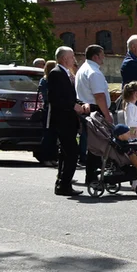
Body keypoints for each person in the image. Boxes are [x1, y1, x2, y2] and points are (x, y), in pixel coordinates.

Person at [46, 46, 87, 196]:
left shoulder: (65, 73)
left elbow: (68, 96)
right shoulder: (56, 74)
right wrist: (73, 106)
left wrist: (80, 104)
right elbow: (55, 98)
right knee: (72, 152)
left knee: (65, 153)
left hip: (68, 120)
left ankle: (62, 183)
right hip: (62, 120)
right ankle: (64, 184)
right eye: (71, 56)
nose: (74, 59)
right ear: (64, 58)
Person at [75, 44, 112, 185]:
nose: (104, 58)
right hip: (95, 110)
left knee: (92, 145)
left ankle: (91, 175)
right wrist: (107, 115)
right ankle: (93, 176)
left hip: (86, 109)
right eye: (102, 55)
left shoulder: (82, 69)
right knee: (97, 145)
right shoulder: (94, 72)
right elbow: (99, 96)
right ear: (96, 56)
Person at [34, 60, 59, 167]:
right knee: (48, 134)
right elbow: (47, 96)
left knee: (54, 135)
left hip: (55, 110)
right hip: (48, 110)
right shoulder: (45, 80)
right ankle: (45, 157)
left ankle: (53, 157)